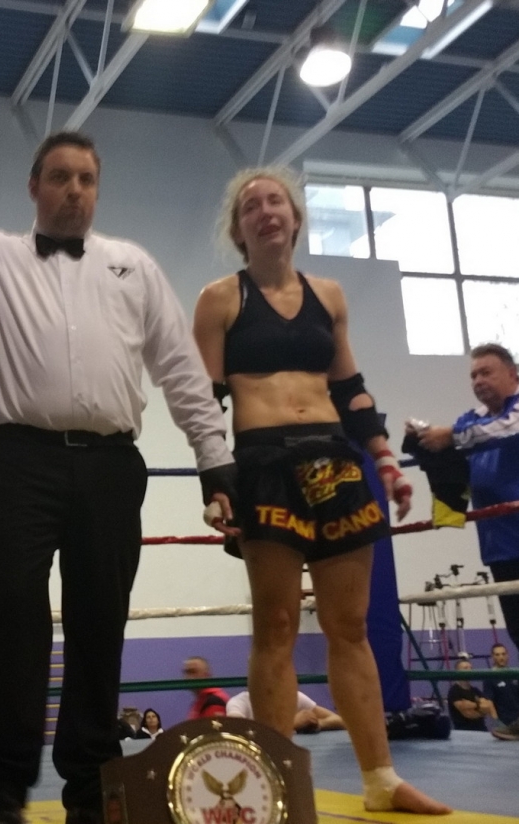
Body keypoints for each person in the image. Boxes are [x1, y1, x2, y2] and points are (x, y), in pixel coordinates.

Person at [0, 47, 236, 824]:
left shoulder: (134, 267)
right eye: (60, 176)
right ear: (33, 186)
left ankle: (91, 789)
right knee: (13, 621)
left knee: (101, 623)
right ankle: (4, 789)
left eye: (87, 179)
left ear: (98, 189)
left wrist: (216, 465)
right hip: (19, 460)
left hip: (112, 465)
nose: (74, 189)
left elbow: (180, 370)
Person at [192, 167, 450, 815]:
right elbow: (204, 399)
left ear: (296, 217)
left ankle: (381, 780)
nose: (265, 211)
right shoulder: (220, 299)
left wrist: (386, 461)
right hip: (263, 464)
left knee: (350, 625)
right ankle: (275, 788)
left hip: (336, 461)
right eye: (251, 206)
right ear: (239, 229)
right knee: (276, 626)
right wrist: (216, 480)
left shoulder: (329, 295)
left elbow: (350, 388)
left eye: (275, 200)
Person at [408, 343, 519, 652]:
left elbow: (506, 429)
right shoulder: (472, 420)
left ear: (513, 374)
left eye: (486, 372)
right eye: (473, 375)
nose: (478, 381)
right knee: (518, 631)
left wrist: (450, 435)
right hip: (499, 546)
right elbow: (452, 447)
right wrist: (423, 437)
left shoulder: (507, 416)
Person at [225, 689, 345, 733]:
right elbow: (236, 729)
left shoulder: (294, 697)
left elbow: (340, 720)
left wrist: (318, 723)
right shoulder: (238, 702)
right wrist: (292, 723)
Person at [447, 657, 496, 732]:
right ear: (458, 671)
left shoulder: (476, 691)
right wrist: (479, 707)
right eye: (465, 668)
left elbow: (487, 707)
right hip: (464, 732)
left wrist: (472, 705)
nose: (469, 670)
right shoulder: (454, 691)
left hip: (482, 730)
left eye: (470, 668)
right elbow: (468, 714)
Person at [485, 643, 519, 740]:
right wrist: (497, 721)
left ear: (508, 655)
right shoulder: (489, 677)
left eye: (503, 654)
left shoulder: (514, 674)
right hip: (504, 723)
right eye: (497, 655)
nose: (501, 657)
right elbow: (489, 702)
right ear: (492, 657)